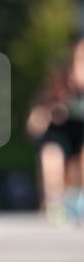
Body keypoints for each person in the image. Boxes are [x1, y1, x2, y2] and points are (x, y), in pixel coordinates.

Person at [26, 34, 84, 223]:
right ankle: (54, 205)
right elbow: (33, 125)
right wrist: (51, 107)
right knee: (50, 154)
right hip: (60, 136)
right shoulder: (56, 81)